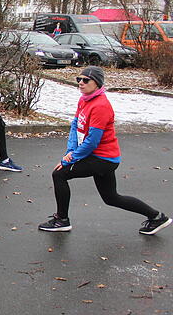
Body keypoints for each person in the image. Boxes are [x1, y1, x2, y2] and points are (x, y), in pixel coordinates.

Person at [38, 66, 171, 235]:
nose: (81, 83)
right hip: (97, 157)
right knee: (111, 198)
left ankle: (62, 220)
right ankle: (157, 217)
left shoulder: (101, 106)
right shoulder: (84, 100)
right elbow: (75, 126)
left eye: (86, 80)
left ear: (97, 83)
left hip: (104, 159)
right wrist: (70, 150)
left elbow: (93, 141)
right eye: (79, 79)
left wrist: (69, 160)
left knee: (59, 174)